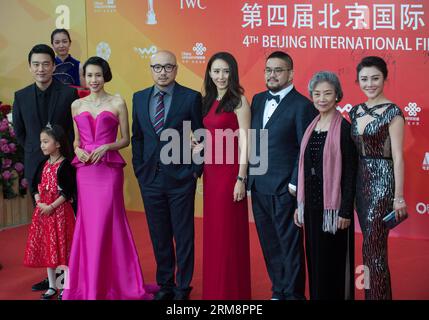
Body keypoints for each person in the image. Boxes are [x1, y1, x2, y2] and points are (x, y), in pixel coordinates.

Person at [62, 56, 156, 300]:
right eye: (90, 75)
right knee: (89, 225)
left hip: (108, 170)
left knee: (110, 222)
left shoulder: (117, 101)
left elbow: (126, 138)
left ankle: (118, 282)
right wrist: (77, 150)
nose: (94, 80)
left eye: (98, 75)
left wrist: (107, 147)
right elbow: (76, 140)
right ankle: (90, 284)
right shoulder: (77, 105)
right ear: (84, 77)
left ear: (106, 76)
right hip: (85, 170)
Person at [131, 50, 203, 300]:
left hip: (181, 178)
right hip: (150, 179)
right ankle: (166, 285)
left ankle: (183, 287)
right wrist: (139, 169)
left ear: (176, 69)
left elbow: (201, 135)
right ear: (151, 69)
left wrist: (194, 170)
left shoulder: (191, 97)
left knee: (183, 235)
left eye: (168, 67)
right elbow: (137, 137)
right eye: (157, 67)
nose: (162, 72)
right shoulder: (139, 98)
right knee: (159, 235)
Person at [247, 51, 318, 300]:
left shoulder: (303, 106)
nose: (272, 74)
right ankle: (278, 290)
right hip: (258, 186)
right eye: (268, 69)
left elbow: (305, 148)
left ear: (291, 73)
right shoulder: (255, 100)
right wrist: (247, 178)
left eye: (278, 70)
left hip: (285, 189)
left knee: (290, 246)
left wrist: (294, 184)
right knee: (269, 244)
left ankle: (294, 294)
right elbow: (251, 141)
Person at [13, 44, 78, 292]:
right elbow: (19, 131)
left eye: (46, 64)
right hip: (35, 166)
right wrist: (35, 151)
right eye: (36, 64)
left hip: (63, 167)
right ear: (30, 67)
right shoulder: (21, 96)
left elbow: (72, 131)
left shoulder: (68, 94)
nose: (41, 68)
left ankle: (67, 277)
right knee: (43, 224)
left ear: (54, 66)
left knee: (64, 224)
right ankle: (50, 277)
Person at [293, 71, 357, 300]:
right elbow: (304, 169)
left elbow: (350, 173)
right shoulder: (312, 127)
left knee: (334, 264)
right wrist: (298, 206)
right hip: (311, 206)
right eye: (317, 94)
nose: (321, 98)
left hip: (335, 210)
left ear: (337, 96)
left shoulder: (344, 129)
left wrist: (345, 210)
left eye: (327, 93)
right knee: (316, 263)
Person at [349, 56, 407, 300]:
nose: (369, 83)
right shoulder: (355, 111)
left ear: (385, 78)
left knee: (373, 248)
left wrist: (399, 197)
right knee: (369, 247)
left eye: (375, 78)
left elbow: (398, 157)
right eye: (364, 79)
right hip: (359, 184)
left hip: (383, 183)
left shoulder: (393, 112)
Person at [198, 52, 251, 299]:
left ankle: (232, 294)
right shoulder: (207, 100)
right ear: (209, 73)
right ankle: (214, 292)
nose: (221, 76)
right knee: (214, 236)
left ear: (233, 73)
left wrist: (241, 179)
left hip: (230, 175)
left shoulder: (239, 100)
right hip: (211, 173)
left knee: (228, 235)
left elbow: (246, 144)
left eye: (226, 71)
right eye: (216, 71)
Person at [24, 124, 76, 300]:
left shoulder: (66, 165)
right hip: (44, 214)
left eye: (46, 141)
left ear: (58, 143)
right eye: (41, 142)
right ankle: (52, 286)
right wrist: (39, 203)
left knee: (62, 248)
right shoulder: (42, 164)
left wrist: (51, 206)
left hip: (60, 214)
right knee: (49, 248)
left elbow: (68, 191)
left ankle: (63, 287)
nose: (42, 145)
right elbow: (34, 186)